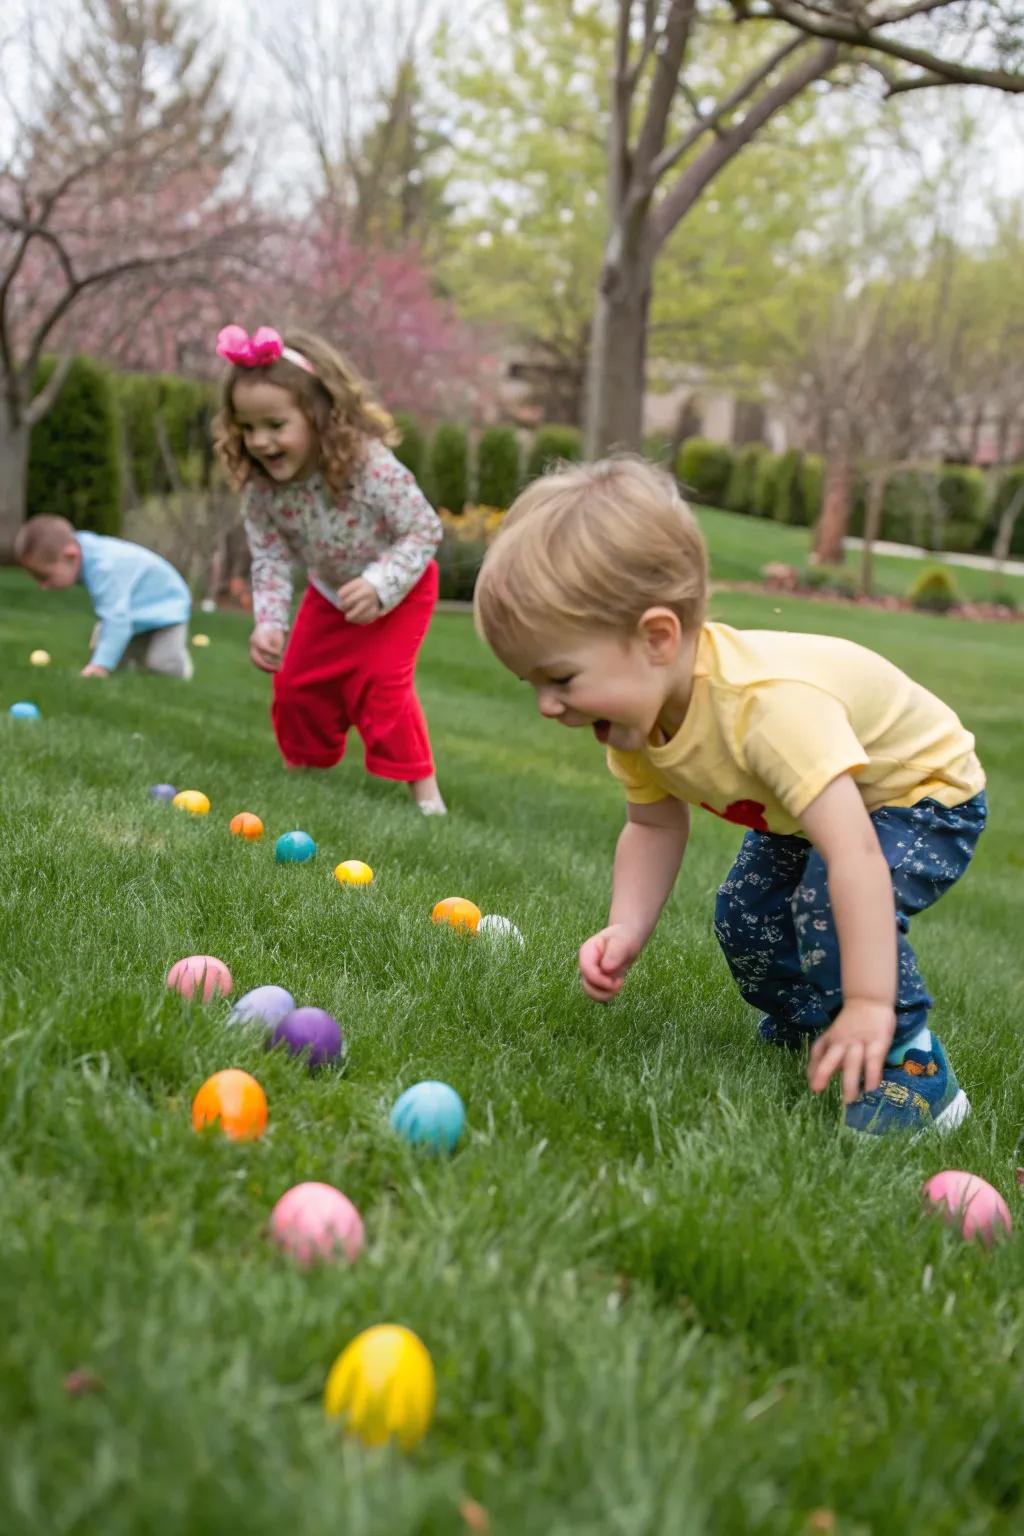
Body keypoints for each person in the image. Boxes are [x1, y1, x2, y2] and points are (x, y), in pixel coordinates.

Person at [473, 456, 988, 1135]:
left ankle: (910, 1068)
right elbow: (654, 826)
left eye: (561, 678)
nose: (547, 706)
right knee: (743, 914)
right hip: (809, 807)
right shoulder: (633, 725)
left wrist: (869, 999)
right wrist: (628, 926)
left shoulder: (767, 710)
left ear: (656, 638)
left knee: (826, 903)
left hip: (919, 792)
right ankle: (812, 1027)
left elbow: (857, 858)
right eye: (530, 684)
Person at [212, 324, 446, 815]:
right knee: (296, 682)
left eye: (275, 425)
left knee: (383, 683)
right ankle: (304, 773)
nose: (260, 441)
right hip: (330, 589)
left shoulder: (369, 466)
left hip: (401, 586)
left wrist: (381, 584)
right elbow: (272, 558)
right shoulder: (262, 491)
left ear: (320, 416)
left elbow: (423, 530)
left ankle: (426, 796)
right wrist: (270, 622)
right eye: (247, 428)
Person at [14, 515, 193, 679]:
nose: (42, 586)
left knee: (161, 664)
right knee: (119, 662)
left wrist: (100, 666)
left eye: (45, 577)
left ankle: (183, 670)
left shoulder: (104, 568)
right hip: (135, 609)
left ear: (70, 555)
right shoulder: (84, 551)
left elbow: (116, 618)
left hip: (167, 607)